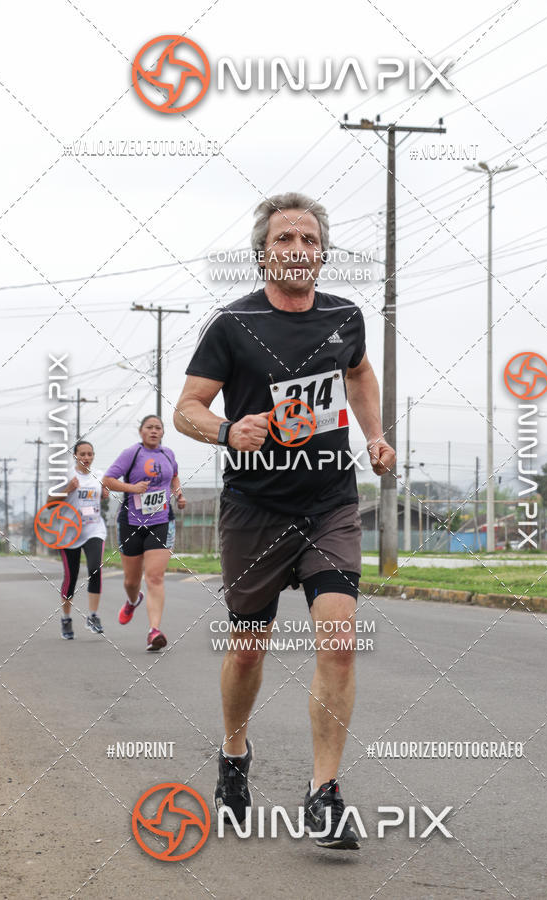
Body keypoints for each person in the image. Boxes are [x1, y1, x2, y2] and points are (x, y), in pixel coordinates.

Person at [174, 192, 395, 849]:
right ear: (262, 254)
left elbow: (358, 375)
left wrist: (376, 436)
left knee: (340, 639)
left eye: (307, 240)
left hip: (329, 503)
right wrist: (225, 430)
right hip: (255, 509)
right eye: (284, 241)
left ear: (321, 253)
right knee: (248, 648)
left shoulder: (344, 316)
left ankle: (323, 792)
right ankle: (234, 753)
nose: (297, 251)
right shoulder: (231, 325)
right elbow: (187, 406)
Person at [102, 415, 186, 651]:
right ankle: (132, 600)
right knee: (131, 580)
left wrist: (178, 494)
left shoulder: (168, 454)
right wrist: (132, 488)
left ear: (162, 432)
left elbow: (175, 476)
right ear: (141, 432)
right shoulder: (132, 453)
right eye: (149, 427)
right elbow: (108, 480)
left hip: (161, 521)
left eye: (158, 428)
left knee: (155, 577)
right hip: (130, 522)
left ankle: (154, 631)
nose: (154, 431)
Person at [48, 440, 108, 640]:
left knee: (95, 569)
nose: (86, 458)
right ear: (75, 456)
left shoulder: (99, 476)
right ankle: (66, 619)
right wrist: (67, 489)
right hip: (69, 533)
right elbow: (49, 503)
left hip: (93, 530)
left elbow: (99, 498)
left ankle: (93, 616)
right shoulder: (66, 476)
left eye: (90, 454)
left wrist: (105, 494)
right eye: (82, 454)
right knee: (71, 577)